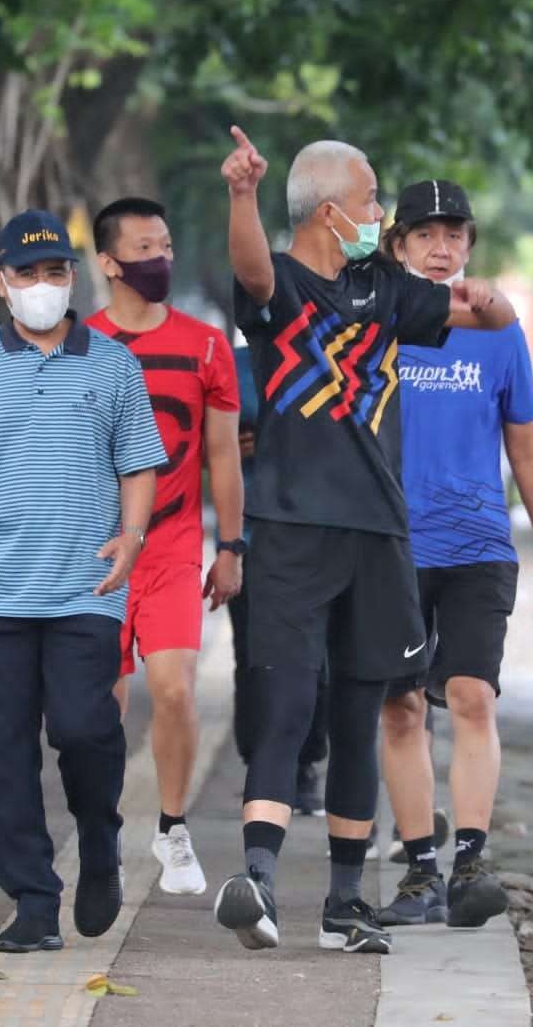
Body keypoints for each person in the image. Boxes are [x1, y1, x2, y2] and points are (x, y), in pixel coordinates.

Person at [212, 127, 517, 956]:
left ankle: (345, 903)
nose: (380, 213)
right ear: (334, 207)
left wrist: (488, 297)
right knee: (286, 702)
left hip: (380, 532)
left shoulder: (383, 287)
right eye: (374, 198)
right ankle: (261, 882)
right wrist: (241, 193)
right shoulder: (276, 288)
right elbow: (249, 267)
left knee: (358, 709)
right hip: (291, 528)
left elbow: (482, 311)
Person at [0, 210, 167, 952]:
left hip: (84, 590)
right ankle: (30, 897)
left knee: (86, 728)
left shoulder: (113, 366)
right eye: (28, 274)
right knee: (3, 752)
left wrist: (134, 534)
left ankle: (99, 837)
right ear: (2, 283)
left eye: (56, 272)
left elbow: (139, 463)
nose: (43, 286)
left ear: (72, 278)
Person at [373, 180, 533, 930]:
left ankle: (472, 863)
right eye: (423, 234)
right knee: (398, 709)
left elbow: (524, 442)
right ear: (396, 248)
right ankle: (420, 870)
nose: (440, 246)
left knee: (471, 697)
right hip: (391, 546)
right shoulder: (378, 325)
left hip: (479, 544)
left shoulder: (499, 333)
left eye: (453, 233)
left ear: (470, 246)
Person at [84, 197, 243, 897]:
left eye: (166, 245)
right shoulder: (77, 344)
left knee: (175, 688)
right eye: (145, 249)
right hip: (92, 558)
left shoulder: (206, 345)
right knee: (98, 708)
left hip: (175, 547)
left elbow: (223, 458)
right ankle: (100, 832)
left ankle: (173, 828)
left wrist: (231, 546)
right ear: (110, 263)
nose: (161, 261)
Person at [228, 344, 327, 817]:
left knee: (315, 658)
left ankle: (305, 763)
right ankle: (261, 766)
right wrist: (231, 439)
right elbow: (210, 441)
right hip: (250, 533)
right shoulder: (235, 364)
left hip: (318, 532)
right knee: (253, 659)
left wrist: (271, 435)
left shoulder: (324, 359)